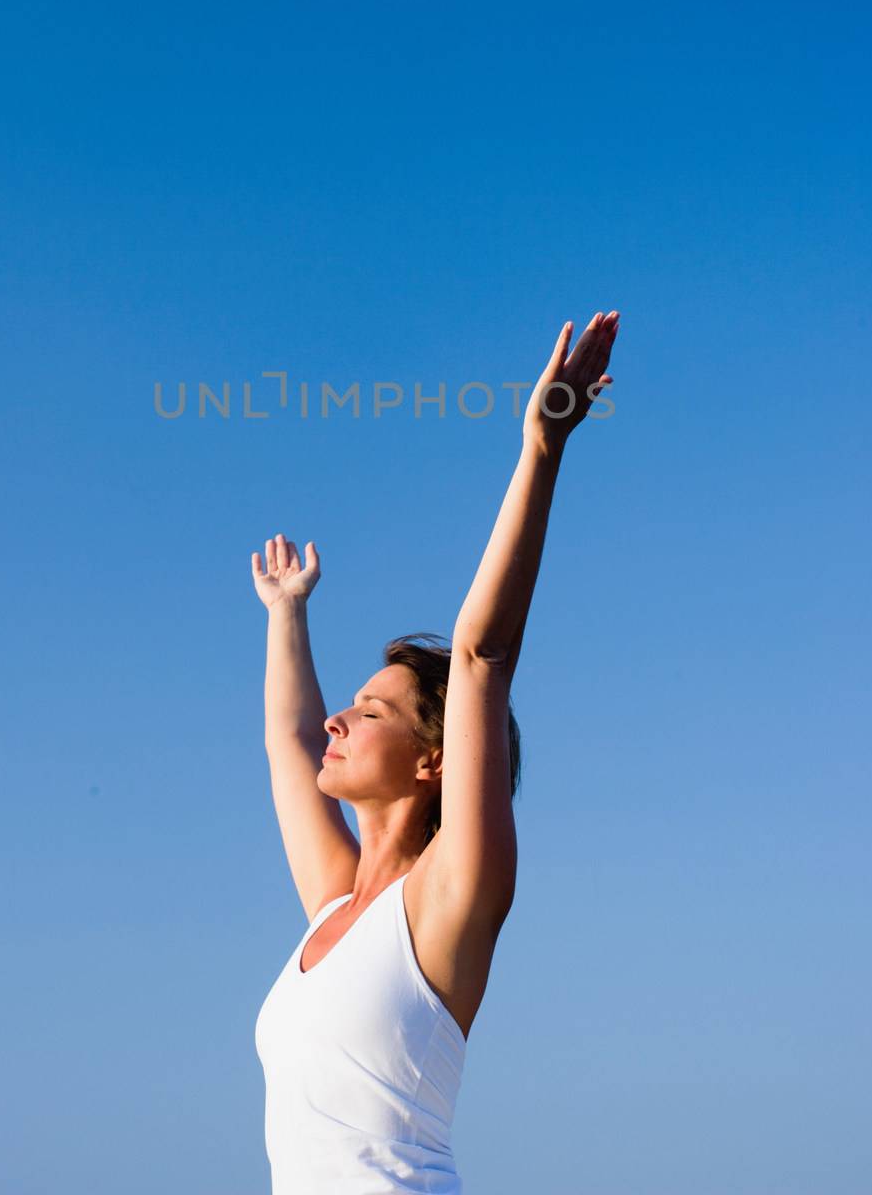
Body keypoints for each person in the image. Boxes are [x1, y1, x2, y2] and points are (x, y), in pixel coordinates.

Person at [251, 312, 620, 1192]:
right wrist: (286, 615)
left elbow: (482, 655)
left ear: (432, 759)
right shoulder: (331, 908)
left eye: (372, 711)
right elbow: (288, 741)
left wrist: (542, 447)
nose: (338, 722)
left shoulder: (450, 895)